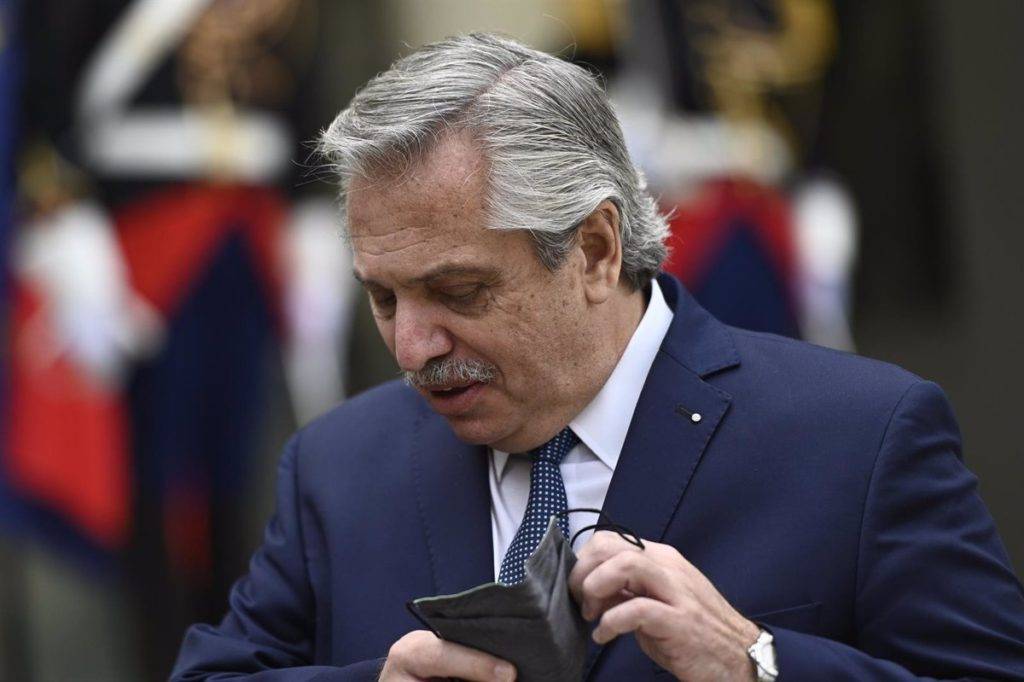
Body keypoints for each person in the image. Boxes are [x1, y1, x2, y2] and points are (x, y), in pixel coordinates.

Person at [171, 33, 1024, 681]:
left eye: (459, 291)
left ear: (594, 250)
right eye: (384, 298)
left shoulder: (861, 438)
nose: (413, 345)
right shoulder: (335, 466)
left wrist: (757, 663)